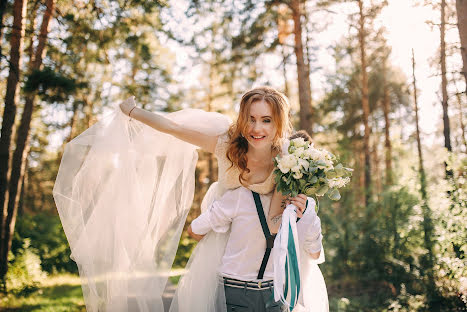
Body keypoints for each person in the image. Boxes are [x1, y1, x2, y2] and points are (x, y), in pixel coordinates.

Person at [54, 86, 328, 312]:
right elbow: (174, 128)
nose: (257, 128)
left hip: (262, 238)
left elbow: (275, 224)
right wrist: (135, 112)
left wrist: (301, 208)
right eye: (251, 119)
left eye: (266, 120)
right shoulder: (227, 145)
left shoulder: (289, 157)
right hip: (225, 229)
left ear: (278, 122)